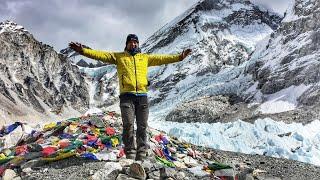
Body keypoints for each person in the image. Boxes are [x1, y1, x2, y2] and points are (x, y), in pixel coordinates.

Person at [69, 34, 191, 160]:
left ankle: (142, 153)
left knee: (142, 126)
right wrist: (83, 51)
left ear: (138, 44)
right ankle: (130, 153)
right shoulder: (119, 57)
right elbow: (100, 55)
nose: (133, 44)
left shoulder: (145, 58)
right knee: (128, 125)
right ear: (126, 44)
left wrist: (179, 57)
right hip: (127, 97)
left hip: (142, 96)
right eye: (131, 42)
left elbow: (162, 59)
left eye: (135, 42)